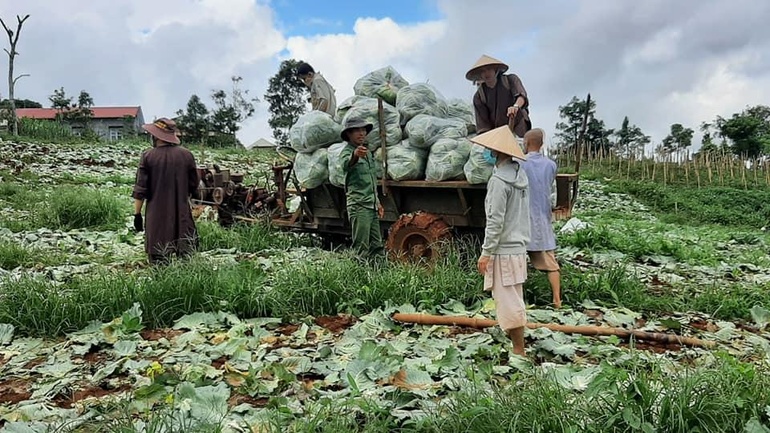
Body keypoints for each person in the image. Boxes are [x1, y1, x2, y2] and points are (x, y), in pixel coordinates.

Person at [472, 124, 531, 357]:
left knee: (509, 303)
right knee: (513, 298)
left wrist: (486, 252)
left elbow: (495, 221)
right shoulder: (520, 175)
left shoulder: (499, 181)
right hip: (517, 247)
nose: (487, 153)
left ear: (496, 152)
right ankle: (517, 346)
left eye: (489, 149)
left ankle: (519, 351)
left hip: (504, 250)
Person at [132, 118, 200, 265]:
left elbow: (140, 190)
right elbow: (194, 185)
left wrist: (137, 214)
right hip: (181, 216)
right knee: (186, 263)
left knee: (159, 263)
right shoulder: (187, 155)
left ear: (155, 136)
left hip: (157, 219)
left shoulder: (148, 156)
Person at [522, 128, 562, 309]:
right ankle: (557, 299)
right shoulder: (551, 165)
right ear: (542, 144)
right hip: (543, 216)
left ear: (526, 143)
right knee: (551, 261)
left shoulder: (519, 163)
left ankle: (519, 298)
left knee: (518, 259)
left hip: (523, 218)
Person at [338, 117, 385, 259]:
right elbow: (346, 164)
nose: (361, 133)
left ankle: (379, 275)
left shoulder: (368, 153)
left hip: (371, 205)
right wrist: (355, 155)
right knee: (361, 246)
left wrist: (377, 202)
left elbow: (371, 181)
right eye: (357, 130)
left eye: (363, 130)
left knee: (377, 244)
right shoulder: (347, 152)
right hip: (359, 205)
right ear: (348, 135)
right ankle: (358, 277)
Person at [466, 54, 531, 140]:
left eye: (489, 69)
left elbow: (521, 96)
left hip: (518, 126)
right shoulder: (479, 96)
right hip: (498, 133)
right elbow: (483, 125)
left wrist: (515, 107)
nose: (486, 73)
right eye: (483, 71)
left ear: (495, 69)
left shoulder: (510, 80)